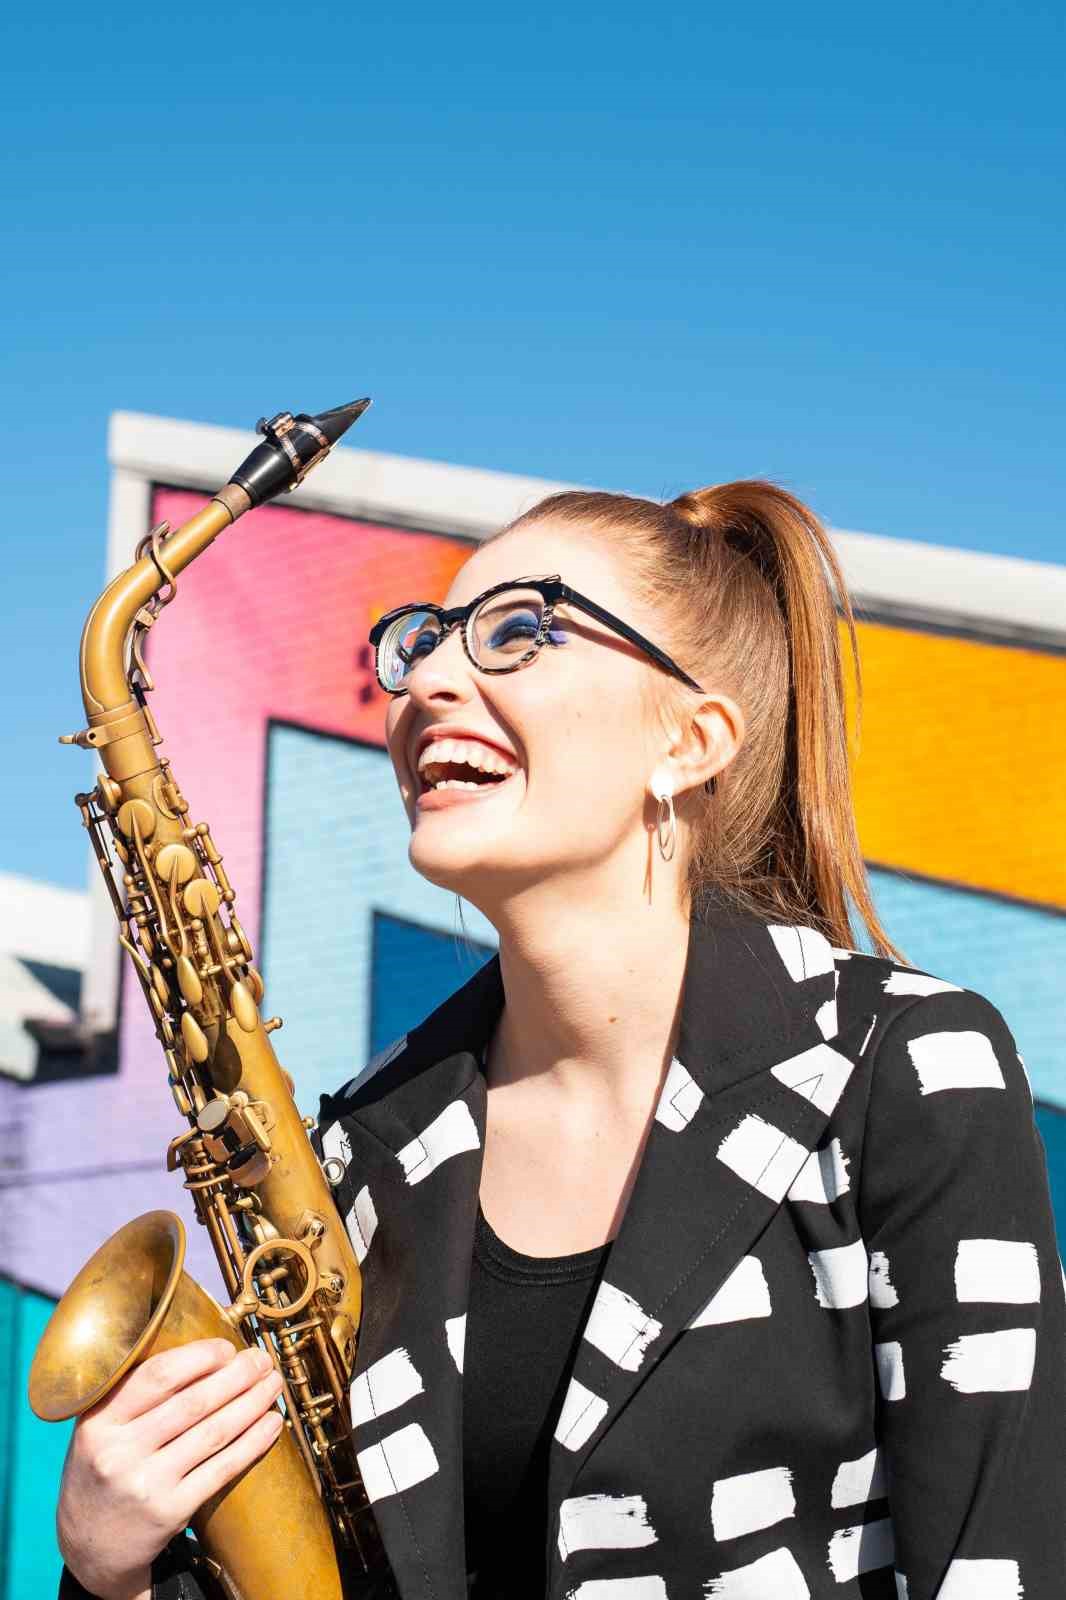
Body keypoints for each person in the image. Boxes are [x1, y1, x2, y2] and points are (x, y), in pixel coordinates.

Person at [57, 482, 1066, 1600]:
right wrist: (113, 1569)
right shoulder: (359, 1149)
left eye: (519, 631)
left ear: (690, 740)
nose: (427, 680)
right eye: (423, 640)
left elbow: (999, 1564)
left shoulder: (908, 1067)